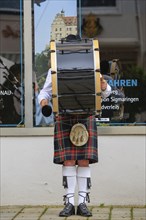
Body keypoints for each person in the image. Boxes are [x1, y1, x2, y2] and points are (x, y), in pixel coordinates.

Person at [38, 66, 111, 217]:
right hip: (64, 116)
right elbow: (46, 91)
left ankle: (83, 203)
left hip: (86, 115)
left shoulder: (91, 66)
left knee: (84, 160)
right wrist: (44, 101)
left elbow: (104, 93)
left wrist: (104, 87)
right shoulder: (55, 68)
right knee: (68, 160)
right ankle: (70, 203)